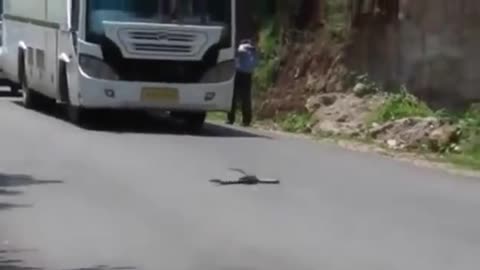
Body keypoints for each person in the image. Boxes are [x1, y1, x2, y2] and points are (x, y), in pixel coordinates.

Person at [227, 39, 258, 127]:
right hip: (248, 75)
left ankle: (230, 118)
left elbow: (234, 59)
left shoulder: (240, 48)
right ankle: (246, 120)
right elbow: (256, 63)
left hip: (238, 73)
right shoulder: (253, 50)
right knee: (246, 98)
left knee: (233, 96)